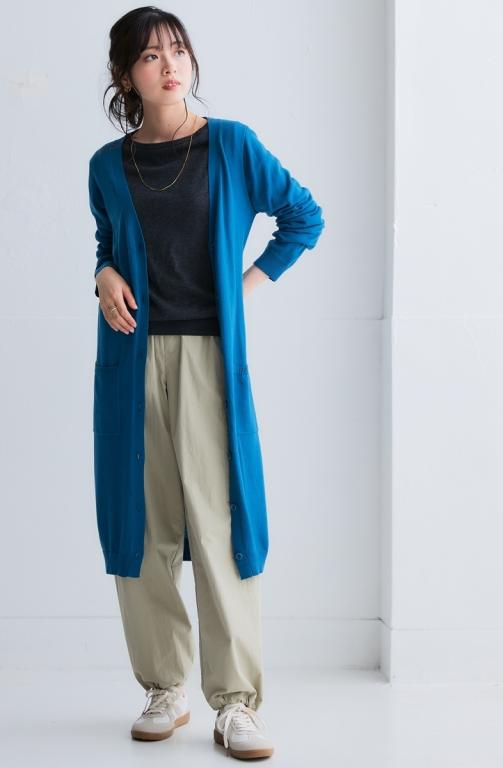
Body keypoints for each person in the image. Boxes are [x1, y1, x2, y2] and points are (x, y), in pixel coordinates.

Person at [88, 6, 325, 761]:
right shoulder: (107, 165)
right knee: (144, 527)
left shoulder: (230, 144)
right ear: (126, 74)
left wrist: (243, 288)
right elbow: (108, 243)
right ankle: (164, 687)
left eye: (178, 50)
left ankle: (236, 703)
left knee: (220, 527)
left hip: (209, 360)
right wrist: (103, 274)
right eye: (151, 56)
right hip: (130, 363)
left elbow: (303, 217)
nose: (171, 65)